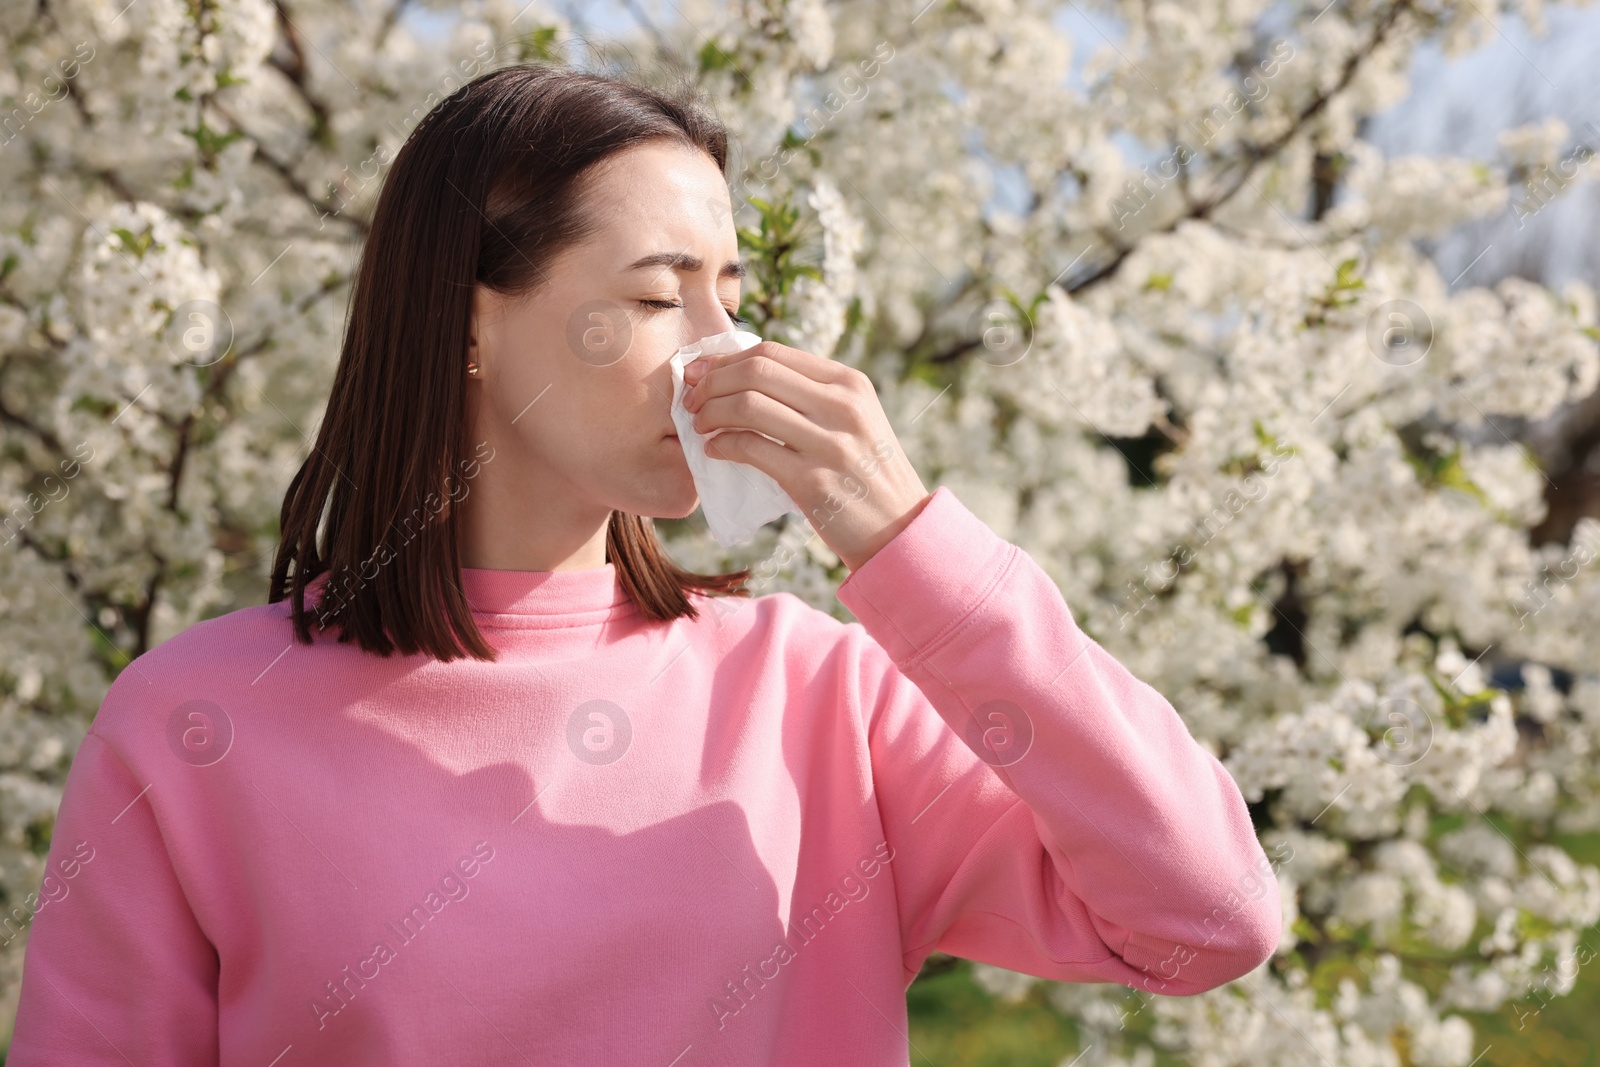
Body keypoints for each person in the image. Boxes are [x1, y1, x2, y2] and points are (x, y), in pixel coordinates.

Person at [6, 62, 1281, 1065]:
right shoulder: (191, 726)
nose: (720, 351)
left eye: (732, 289)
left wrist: (912, 545)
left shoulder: (815, 695)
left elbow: (1207, 919)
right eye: (665, 295)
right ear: (466, 321)